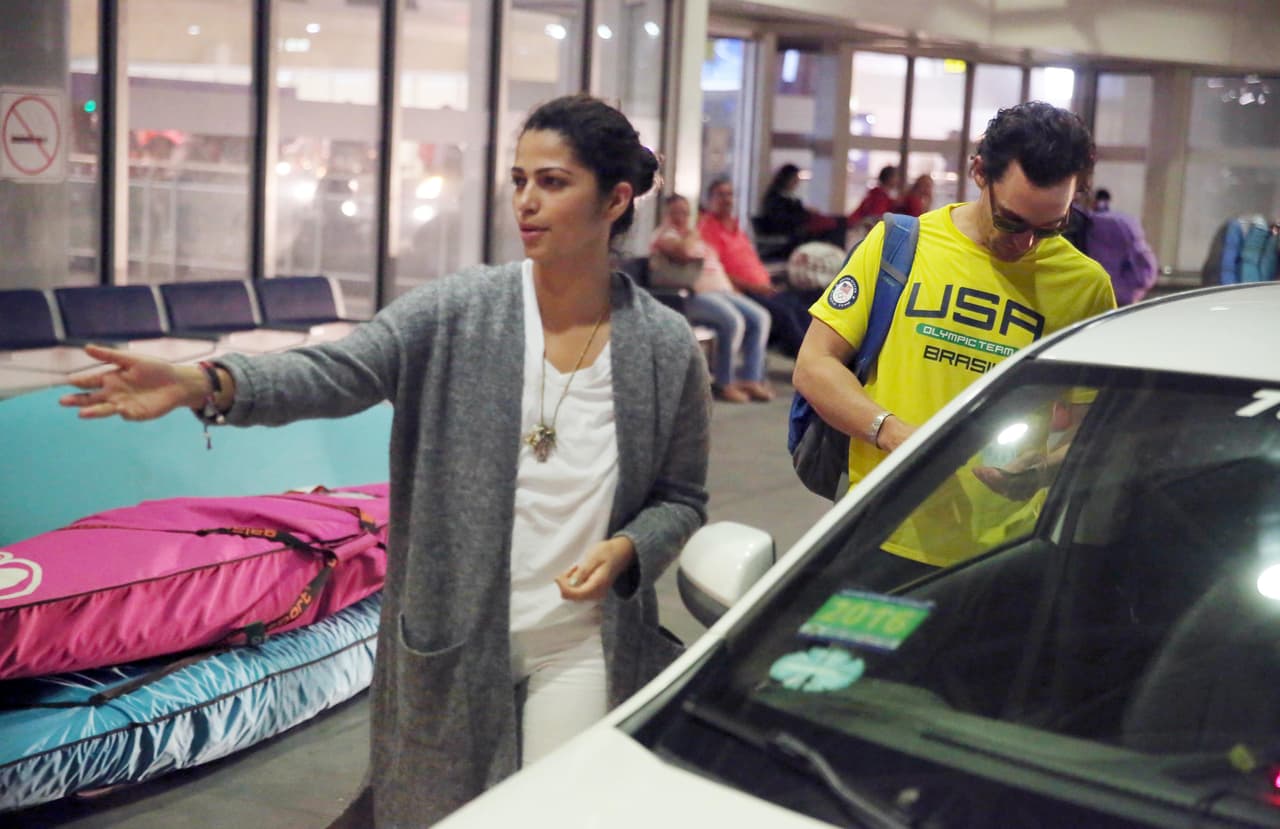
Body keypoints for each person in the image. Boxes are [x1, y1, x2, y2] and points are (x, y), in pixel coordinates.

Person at [59, 94, 711, 827]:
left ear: (615, 198)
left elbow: (682, 497)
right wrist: (207, 382)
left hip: (584, 644)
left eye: (553, 182)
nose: (526, 201)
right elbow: (340, 370)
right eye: (518, 179)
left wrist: (630, 547)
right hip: (452, 643)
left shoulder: (662, 346)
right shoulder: (461, 310)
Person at [793, 100, 1117, 590]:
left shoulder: (1085, 286)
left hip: (1001, 552)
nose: (1026, 244)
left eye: (1050, 227)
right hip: (876, 528)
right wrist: (891, 433)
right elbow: (815, 365)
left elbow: (1094, 426)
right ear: (979, 172)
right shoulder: (900, 245)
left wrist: (1046, 467)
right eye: (1011, 222)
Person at [650, 193, 773, 403]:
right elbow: (684, 251)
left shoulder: (695, 237)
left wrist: (733, 289)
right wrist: (691, 233)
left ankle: (751, 378)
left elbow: (716, 266)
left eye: (685, 212)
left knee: (760, 317)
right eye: (676, 213)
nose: (682, 217)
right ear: (666, 214)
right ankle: (724, 382)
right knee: (732, 321)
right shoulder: (665, 235)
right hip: (691, 296)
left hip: (722, 292)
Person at [697, 176, 811, 357]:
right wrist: (757, 287)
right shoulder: (707, 229)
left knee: (802, 307)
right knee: (785, 314)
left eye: (729, 195)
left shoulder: (737, 228)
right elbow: (719, 272)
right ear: (709, 200)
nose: (726, 200)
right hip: (743, 290)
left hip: (764, 286)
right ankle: (806, 360)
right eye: (720, 195)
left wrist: (767, 284)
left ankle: (818, 357)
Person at [1073, 187, 1160, 305]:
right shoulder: (1122, 222)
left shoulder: (1080, 221)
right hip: (1120, 294)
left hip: (1091, 293)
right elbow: (1144, 266)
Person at [756, 163, 846, 253]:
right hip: (791, 229)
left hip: (798, 226)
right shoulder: (776, 199)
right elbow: (783, 219)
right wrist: (804, 214)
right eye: (794, 179)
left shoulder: (787, 198)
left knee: (837, 222)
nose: (796, 183)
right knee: (836, 224)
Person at [847, 164, 900, 232]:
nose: (898, 180)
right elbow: (875, 218)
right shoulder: (879, 196)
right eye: (896, 177)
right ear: (889, 178)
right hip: (856, 228)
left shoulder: (881, 194)